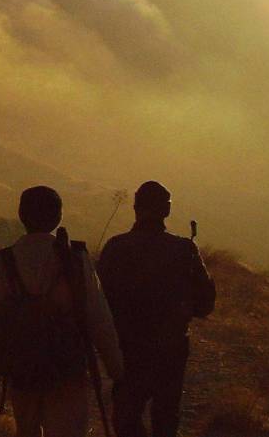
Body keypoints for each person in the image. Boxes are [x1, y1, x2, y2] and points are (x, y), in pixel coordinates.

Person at [0, 186, 124, 437]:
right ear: (58, 218)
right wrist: (116, 366)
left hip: (23, 370)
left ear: (22, 215)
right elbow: (99, 317)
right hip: (67, 369)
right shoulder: (75, 259)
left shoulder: (4, 263)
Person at [97, 181, 216, 437]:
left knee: (127, 417)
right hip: (170, 349)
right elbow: (206, 303)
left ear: (136, 208)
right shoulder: (185, 249)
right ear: (167, 211)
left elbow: (98, 303)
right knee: (166, 418)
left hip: (128, 347)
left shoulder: (116, 248)